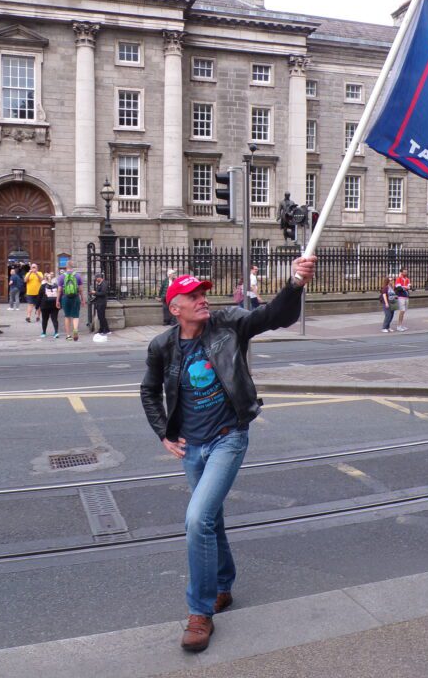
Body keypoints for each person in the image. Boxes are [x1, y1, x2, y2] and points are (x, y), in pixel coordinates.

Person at [140, 255, 317, 653]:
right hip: (191, 446)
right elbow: (149, 391)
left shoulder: (230, 325)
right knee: (211, 519)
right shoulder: (162, 347)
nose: (203, 298)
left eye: (203, 292)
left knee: (197, 518)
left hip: (227, 437)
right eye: (192, 295)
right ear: (175, 308)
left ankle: (200, 611)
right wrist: (162, 435)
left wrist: (295, 283)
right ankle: (223, 586)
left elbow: (276, 316)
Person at [59, 264, 85, 341]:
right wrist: (83, 299)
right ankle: (75, 329)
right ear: (72, 268)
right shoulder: (77, 276)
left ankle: (68, 335)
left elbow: (59, 290)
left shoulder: (61, 276)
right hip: (75, 297)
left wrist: (57, 300)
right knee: (75, 316)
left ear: (66, 268)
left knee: (67, 316)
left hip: (65, 297)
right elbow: (80, 290)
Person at [38, 273, 61, 338]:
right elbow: (60, 294)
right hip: (54, 304)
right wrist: (59, 303)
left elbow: (39, 296)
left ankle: (44, 332)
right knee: (54, 319)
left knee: (45, 319)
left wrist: (37, 306)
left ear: (45, 279)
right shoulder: (56, 285)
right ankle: (56, 332)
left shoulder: (43, 286)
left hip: (44, 305)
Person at [91, 272, 109, 339]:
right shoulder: (100, 283)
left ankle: (106, 330)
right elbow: (99, 293)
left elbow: (103, 293)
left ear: (99, 278)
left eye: (96, 278)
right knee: (100, 317)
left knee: (102, 317)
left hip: (102, 303)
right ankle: (102, 329)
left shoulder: (104, 283)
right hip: (99, 302)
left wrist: (95, 292)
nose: (95, 279)